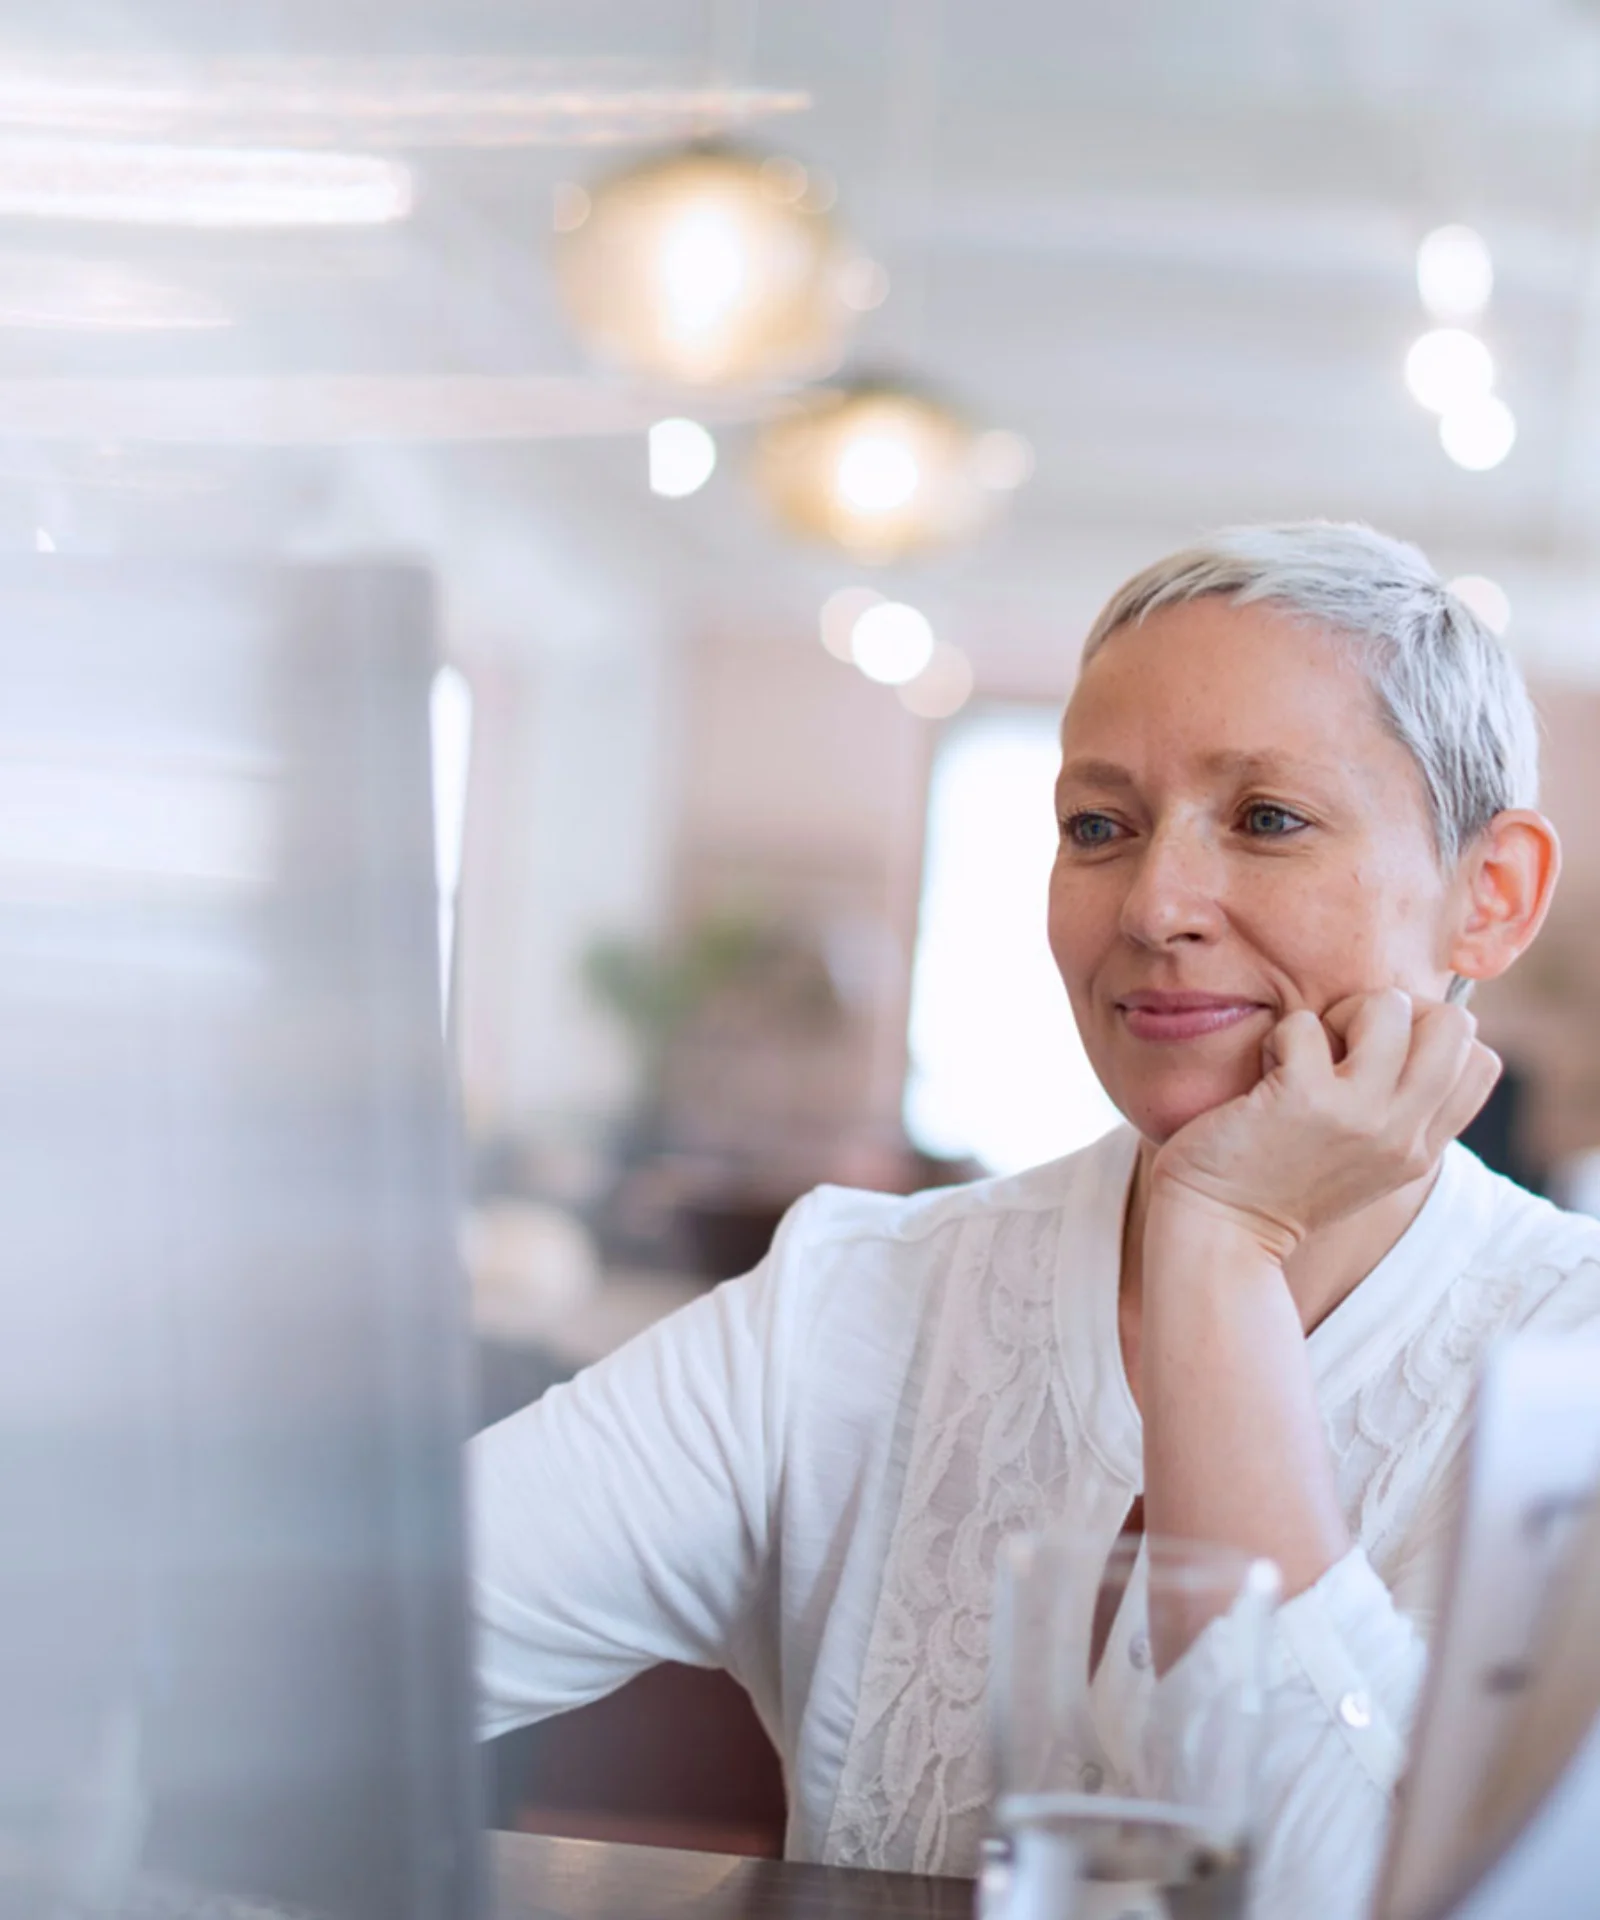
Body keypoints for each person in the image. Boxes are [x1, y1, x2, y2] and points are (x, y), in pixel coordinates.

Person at [470, 522, 1600, 1917]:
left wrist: (1219, 1247)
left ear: (1491, 898)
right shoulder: (856, 1294)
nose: (1156, 902)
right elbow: (372, 1635)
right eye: (1097, 827)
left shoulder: (1577, 1365)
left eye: (1266, 818)